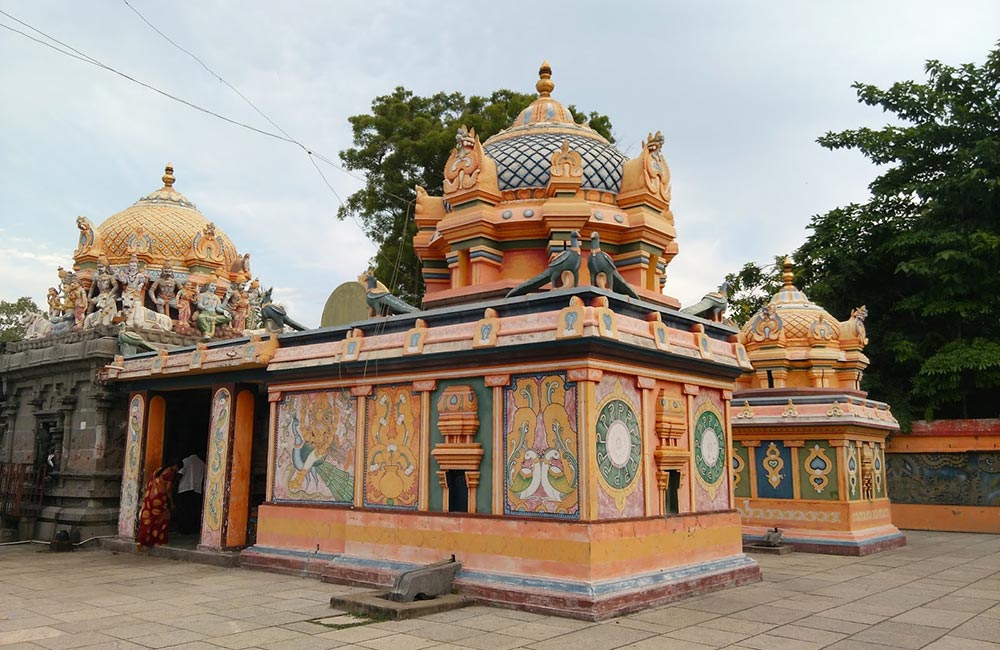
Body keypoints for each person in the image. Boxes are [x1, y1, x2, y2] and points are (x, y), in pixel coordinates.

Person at [136, 462, 180, 549]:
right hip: (159, 499)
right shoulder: (170, 473)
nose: (177, 470)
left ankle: (143, 540)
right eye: (178, 468)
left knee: (148, 519)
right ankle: (158, 540)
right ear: (175, 466)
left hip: (150, 498)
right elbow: (168, 489)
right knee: (163, 518)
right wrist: (172, 502)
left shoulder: (158, 470)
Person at [176, 453, 206, 534]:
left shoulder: (186, 461)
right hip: (197, 489)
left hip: (184, 488)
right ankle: (192, 528)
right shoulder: (202, 463)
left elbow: (179, 474)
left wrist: (174, 484)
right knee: (193, 510)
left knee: (183, 510)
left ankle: (183, 529)